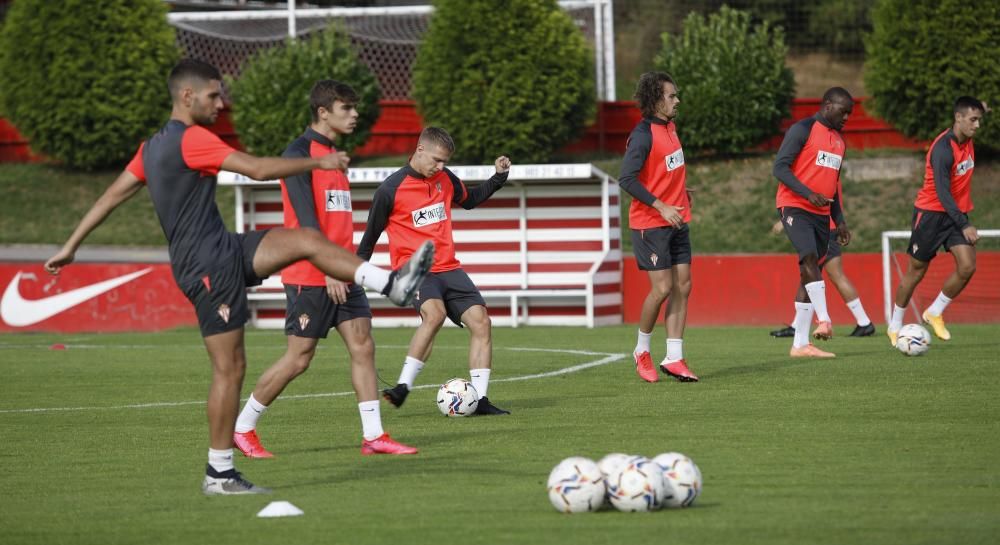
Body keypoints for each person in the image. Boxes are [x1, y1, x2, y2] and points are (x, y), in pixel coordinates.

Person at [44, 59, 433, 495]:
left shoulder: (149, 147)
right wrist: (315, 166)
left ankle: (390, 284)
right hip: (207, 266)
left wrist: (70, 245)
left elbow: (112, 195)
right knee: (230, 371)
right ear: (187, 96)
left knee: (303, 238)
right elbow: (258, 171)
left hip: (225, 248)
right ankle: (220, 472)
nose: (220, 103)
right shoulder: (191, 139)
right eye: (213, 95)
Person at [232, 80, 417, 460]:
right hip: (310, 276)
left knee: (363, 345)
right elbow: (305, 223)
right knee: (299, 359)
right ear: (323, 112)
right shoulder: (298, 155)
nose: (355, 114)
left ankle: (374, 436)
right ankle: (242, 428)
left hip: (343, 273)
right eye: (346, 108)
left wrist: (343, 270)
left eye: (354, 108)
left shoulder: (335, 156)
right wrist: (329, 270)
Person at [357, 127, 512, 415]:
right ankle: (402, 387)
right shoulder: (390, 189)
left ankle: (480, 400)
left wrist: (498, 178)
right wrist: (354, 278)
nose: (440, 167)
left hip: (449, 267)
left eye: (445, 162)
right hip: (415, 270)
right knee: (435, 314)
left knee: (482, 322)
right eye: (437, 160)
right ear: (419, 150)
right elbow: (368, 239)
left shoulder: (445, 178)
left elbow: (470, 200)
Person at [618, 71, 699, 383]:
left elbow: (665, 171)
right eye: (671, 96)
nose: (677, 100)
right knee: (663, 288)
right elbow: (626, 179)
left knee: (684, 286)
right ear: (655, 101)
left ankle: (675, 357)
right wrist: (661, 204)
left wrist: (679, 192)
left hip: (677, 218)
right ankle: (641, 350)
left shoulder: (671, 127)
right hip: (650, 223)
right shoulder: (642, 136)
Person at [886, 96, 987, 345]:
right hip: (930, 215)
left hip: (954, 214)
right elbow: (943, 193)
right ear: (958, 118)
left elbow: (974, 113)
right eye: (973, 120)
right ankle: (894, 325)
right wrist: (964, 224)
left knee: (967, 266)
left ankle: (934, 311)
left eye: (979, 120)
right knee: (916, 272)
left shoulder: (968, 136)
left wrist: (984, 108)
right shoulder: (943, 150)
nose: (977, 125)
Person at [773, 87, 855, 359]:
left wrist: (839, 221)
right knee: (808, 258)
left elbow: (833, 187)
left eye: (849, 114)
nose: (846, 118)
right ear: (827, 105)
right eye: (843, 112)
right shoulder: (803, 129)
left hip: (822, 215)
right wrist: (807, 193)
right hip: (795, 206)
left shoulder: (840, 142)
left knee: (809, 275)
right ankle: (825, 320)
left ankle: (799, 345)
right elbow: (780, 168)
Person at [768, 213, 875, 338]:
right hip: (826, 226)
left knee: (819, 275)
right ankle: (798, 325)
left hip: (820, 228)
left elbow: (807, 201)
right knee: (815, 276)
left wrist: (785, 220)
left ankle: (863, 322)